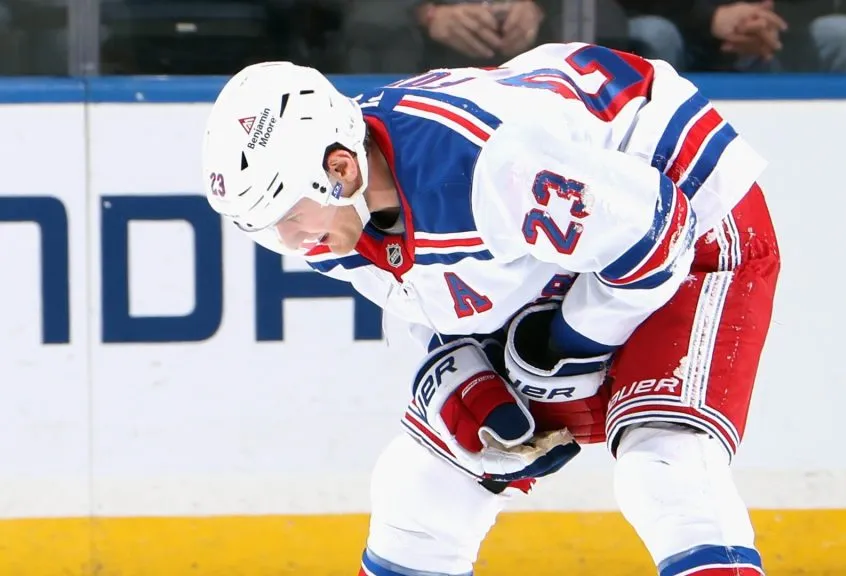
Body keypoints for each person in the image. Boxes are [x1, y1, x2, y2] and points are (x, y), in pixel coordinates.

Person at [200, 42, 781, 576]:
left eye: (287, 215)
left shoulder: (488, 165)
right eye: (265, 228)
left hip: (691, 210)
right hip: (569, 243)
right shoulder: (330, 217)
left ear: (341, 168)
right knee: (420, 493)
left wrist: (570, 343)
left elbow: (658, 233)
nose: (287, 239)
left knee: (666, 465)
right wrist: (462, 379)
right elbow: (421, 297)